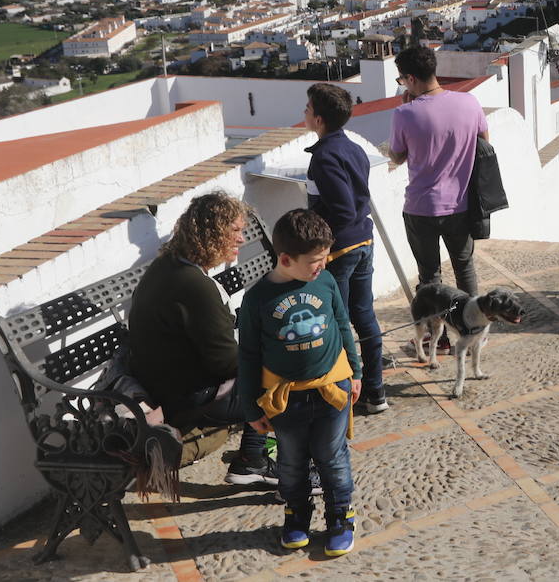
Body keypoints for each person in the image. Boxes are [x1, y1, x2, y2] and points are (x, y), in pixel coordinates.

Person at [127, 191, 274, 486]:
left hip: (168, 383)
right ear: (212, 234)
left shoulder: (168, 265)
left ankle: (252, 459)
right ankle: (262, 464)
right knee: (288, 383)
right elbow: (224, 363)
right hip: (187, 395)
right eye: (234, 231)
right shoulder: (194, 285)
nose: (241, 239)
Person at [237, 210, 361, 556]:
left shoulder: (325, 282)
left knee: (332, 457)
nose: (321, 267)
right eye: (315, 261)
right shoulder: (257, 299)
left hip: (332, 391)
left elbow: (341, 321)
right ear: (286, 259)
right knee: (291, 461)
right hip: (285, 399)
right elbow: (247, 355)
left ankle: (340, 517)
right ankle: (296, 516)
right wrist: (250, 406)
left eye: (325, 259)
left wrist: (357, 370)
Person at [389, 46, 490, 350]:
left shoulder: (404, 113)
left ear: (410, 78)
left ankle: (439, 339)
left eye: (402, 80)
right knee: (465, 269)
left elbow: (397, 155)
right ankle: (474, 334)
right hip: (461, 204)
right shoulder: (469, 102)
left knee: (430, 278)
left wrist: (410, 106)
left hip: (421, 208)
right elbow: (484, 143)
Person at [304, 83, 387, 416]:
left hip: (340, 251)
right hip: (364, 241)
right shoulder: (352, 148)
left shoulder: (324, 157)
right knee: (363, 316)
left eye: (308, 109)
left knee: (336, 322)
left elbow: (341, 209)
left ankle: (342, 394)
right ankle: (375, 392)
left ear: (320, 119)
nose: (304, 113)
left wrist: (319, 240)